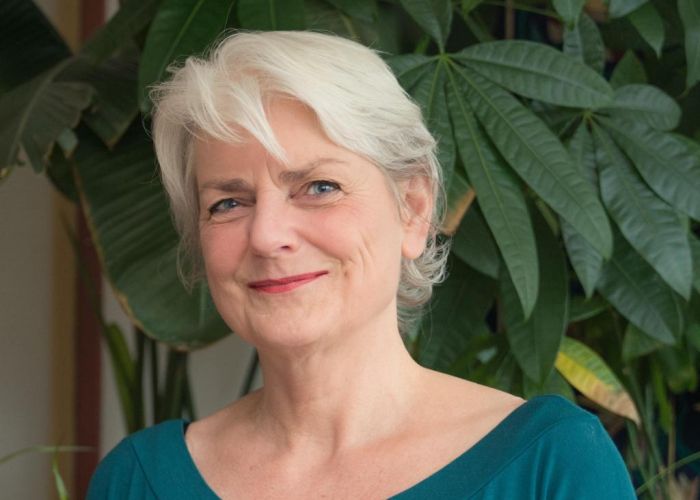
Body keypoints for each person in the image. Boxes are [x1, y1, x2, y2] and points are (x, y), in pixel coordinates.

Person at [87, 31, 637, 499]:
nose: (267, 235)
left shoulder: (550, 464)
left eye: (318, 187)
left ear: (413, 209)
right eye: (228, 203)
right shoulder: (136, 481)